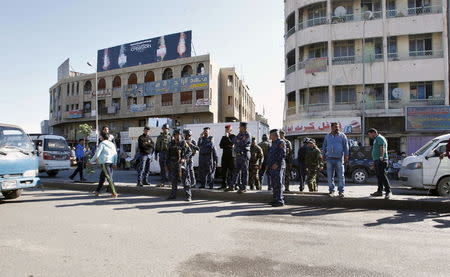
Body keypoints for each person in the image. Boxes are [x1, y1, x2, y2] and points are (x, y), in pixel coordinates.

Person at [322, 122, 349, 198]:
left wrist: (346, 156)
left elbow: (346, 146)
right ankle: (331, 190)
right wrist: (323, 155)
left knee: (341, 176)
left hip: (339, 159)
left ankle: (341, 191)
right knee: (330, 176)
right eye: (335, 127)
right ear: (332, 127)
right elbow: (324, 146)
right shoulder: (327, 136)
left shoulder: (342, 136)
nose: (337, 128)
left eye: (338, 127)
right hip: (329, 158)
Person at [89, 132, 118, 198]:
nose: (99, 137)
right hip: (111, 162)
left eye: (100, 136)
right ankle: (97, 191)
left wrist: (91, 161)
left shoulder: (102, 144)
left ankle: (114, 192)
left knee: (109, 178)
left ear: (102, 137)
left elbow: (97, 154)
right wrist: (115, 163)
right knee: (102, 177)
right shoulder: (112, 144)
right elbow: (115, 154)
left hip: (105, 162)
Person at [167, 129, 192, 201]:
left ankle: (188, 196)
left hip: (181, 163)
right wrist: (167, 164)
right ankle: (173, 195)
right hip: (173, 163)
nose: (177, 136)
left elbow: (189, 152)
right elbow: (168, 155)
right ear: (174, 136)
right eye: (176, 135)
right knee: (173, 180)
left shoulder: (183, 143)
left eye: (178, 135)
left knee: (185, 180)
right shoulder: (171, 143)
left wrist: (184, 158)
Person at [367, 128, 392, 199]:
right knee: (379, 176)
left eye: (369, 134)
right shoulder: (376, 139)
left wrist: (381, 157)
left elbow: (382, 147)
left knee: (383, 176)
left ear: (373, 133)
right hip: (377, 160)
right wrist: (374, 162)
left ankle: (388, 191)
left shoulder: (379, 138)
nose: (369, 136)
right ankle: (379, 191)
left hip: (381, 160)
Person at [228, 122, 251, 193]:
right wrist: (237, 140)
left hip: (244, 155)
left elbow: (242, 143)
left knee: (244, 172)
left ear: (243, 127)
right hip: (238, 155)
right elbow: (233, 141)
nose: (239, 128)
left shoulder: (247, 134)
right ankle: (232, 186)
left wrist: (238, 141)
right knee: (236, 171)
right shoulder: (239, 134)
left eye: (240, 127)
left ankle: (244, 187)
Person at [267, 129, 286, 207]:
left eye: (270, 135)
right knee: (274, 183)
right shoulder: (273, 143)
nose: (269, 136)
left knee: (278, 183)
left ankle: (280, 200)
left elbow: (282, 154)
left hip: (278, 166)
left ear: (274, 135)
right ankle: (275, 199)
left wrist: (277, 164)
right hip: (272, 166)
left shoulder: (281, 142)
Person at [220, 125, 236, 190]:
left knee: (232, 171)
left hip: (231, 156)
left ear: (230, 130)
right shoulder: (223, 137)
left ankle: (231, 185)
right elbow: (221, 145)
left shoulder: (233, 136)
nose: (226, 130)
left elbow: (232, 144)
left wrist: (227, 138)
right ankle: (224, 184)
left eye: (228, 129)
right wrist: (228, 145)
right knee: (224, 171)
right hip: (224, 156)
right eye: (226, 129)